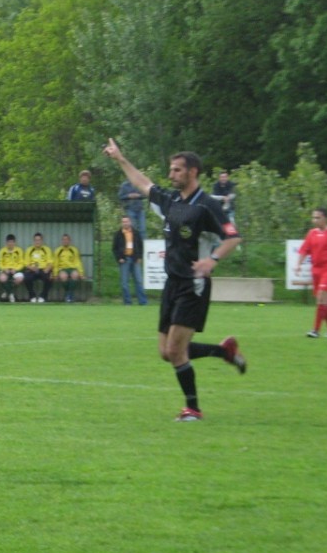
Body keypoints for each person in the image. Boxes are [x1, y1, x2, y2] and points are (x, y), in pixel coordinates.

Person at [103, 137, 246, 422]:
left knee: (175, 350)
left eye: (177, 170)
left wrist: (212, 260)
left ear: (192, 172)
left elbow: (234, 237)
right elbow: (143, 183)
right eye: (171, 170)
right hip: (172, 284)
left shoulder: (207, 206)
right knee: (166, 352)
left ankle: (193, 408)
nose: (171, 175)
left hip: (194, 284)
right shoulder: (170, 202)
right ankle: (223, 351)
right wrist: (120, 158)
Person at [294, 207, 327, 338]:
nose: (314, 220)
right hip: (316, 270)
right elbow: (305, 250)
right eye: (313, 217)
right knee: (324, 302)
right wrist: (298, 265)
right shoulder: (312, 233)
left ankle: (315, 330)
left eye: (318, 217)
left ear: (325, 218)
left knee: (322, 297)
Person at [112, 215, 148, 306]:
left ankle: (143, 302)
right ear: (121, 223)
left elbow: (140, 246)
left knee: (139, 281)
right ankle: (127, 302)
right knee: (124, 283)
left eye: (127, 221)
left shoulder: (136, 233)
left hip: (135, 259)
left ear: (130, 222)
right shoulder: (118, 234)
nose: (125, 223)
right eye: (123, 222)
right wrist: (119, 258)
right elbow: (114, 248)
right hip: (124, 260)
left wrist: (140, 257)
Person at [53, 234, 85, 302]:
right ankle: (69, 294)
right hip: (62, 269)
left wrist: (81, 273)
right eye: (63, 239)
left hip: (72, 268)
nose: (65, 241)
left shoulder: (74, 250)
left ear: (69, 241)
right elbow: (55, 263)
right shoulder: (58, 250)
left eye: (67, 239)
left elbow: (78, 262)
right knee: (64, 276)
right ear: (62, 241)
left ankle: (68, 294)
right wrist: (55, 274)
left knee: (75, 275)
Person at [23, 232, 54, 303]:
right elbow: (26, 263)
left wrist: (47, 269)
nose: (37, 242)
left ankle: (43, 296)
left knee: (50, 278)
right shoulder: (29, 250)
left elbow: (51, 262)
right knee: (26, 278)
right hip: (32, 269)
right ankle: (32, 296)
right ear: (33, 241)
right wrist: (32, 268)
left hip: (43, 269)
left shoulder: (47, 249)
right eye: (36, 240)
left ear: (42, 241)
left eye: (39, 240)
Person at [0, 234, 26, 303]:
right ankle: (11, 294)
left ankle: (7, 292)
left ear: (14, 242)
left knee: (19, 279)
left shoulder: (19, 250)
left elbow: (22, 263)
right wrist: (4, 269)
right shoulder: (2, 251)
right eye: (9, 242)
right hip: (5, 270)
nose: (10, 244)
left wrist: (15, 269)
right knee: (2, 278)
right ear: (6, 242)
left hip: (15, 270)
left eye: (12, 242)